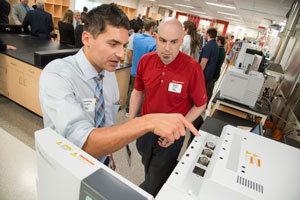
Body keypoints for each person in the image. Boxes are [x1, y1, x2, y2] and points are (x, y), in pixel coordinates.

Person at [39, 3, 199, 168]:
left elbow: (107, 120)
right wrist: (147, 122)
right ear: (87, 39)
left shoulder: (107, 72)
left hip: (100, 164)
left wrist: (108, 156)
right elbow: (83, 142)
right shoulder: (57, 75)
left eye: (123, 45)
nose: (122, 54)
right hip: (66, 167)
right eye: (113, 44)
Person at [129, 19, 207, 196]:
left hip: (172, 134)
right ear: (155, 37)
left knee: (155, 180)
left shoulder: (192, 68)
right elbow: (137, 91)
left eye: (173, 42)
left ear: (181, 41)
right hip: (145, 129)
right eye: (163, 40)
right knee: (148, 168)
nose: (167, 48)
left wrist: (178, 127)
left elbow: (200, 103)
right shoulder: (145, 61)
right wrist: (131, 123)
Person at [125, 18, 156, 116]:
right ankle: (137, 114)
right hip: (146, 74)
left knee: (132, 90)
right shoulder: (154, 43)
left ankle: (127, 110)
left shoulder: (135, 37)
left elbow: (129, 52)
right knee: (141, 93)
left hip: (134, 70)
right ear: (152, 27)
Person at [198, 27, 219, 102]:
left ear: (207, 34)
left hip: (204, 74)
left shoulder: (208, 46)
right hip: (210, 74)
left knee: (199, 92)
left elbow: (204, 62)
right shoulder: (216, 46)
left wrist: (198, 73)